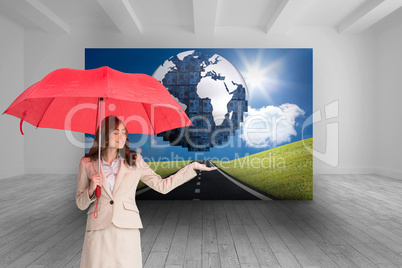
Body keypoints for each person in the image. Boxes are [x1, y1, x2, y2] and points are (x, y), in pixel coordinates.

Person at [75, 115, 217, 268]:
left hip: (126, 227)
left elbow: (162, 186)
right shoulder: (87, 163)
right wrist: (91, 189)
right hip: (98, 228)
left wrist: (191, 167)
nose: (122, 136)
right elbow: (80, 203)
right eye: (116, 132)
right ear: (104, 135)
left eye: (124, 132)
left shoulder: (134, 159)